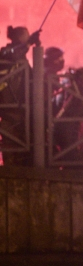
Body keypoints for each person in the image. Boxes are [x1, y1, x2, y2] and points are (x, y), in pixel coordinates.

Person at [0, 26, 39, 166]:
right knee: (11, 148)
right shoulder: (6, 52)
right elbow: (12, 54)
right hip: (10, 109)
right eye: (27, 37)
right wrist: (28, 44)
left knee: (24, 149)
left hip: (21, 109)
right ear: (20, 38)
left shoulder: (20, 56)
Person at [53, 67, 83, 162]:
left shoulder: (68, 82)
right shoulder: (79, 86)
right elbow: (82, 106)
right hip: (69, 124)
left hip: (60, 122)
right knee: (70, 153)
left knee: (64, 151)